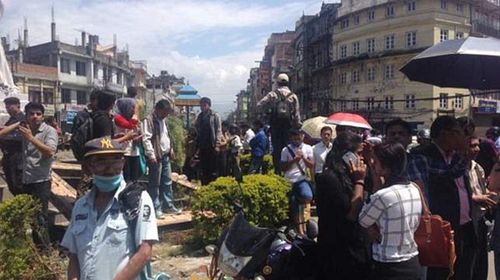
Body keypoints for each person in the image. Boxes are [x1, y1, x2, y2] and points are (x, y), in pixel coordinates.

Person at [61, 136, 158, 280]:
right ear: (88, 167)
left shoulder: (138, 200)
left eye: (116, 161)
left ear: (123, 163)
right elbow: (74, 255)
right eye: (101, 162)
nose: (110, 168)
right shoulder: (81, 207)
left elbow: (144, 252)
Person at [417, 116, 474, 280]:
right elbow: (444, 175)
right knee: (439, 273)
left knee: (461, 271)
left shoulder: (454, 156)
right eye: (457, 132)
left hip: (462, 224)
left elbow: (456, 173)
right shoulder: (422, 155)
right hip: (437, 228)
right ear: (444, 134)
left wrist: (464, 154)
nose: (462, 137)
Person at [359, 142, 423, 280]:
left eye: (375, 161)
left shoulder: (383, 196)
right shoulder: (414, 188)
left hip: (388, 263)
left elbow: (363, 219)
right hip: (411, 259)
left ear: (386, 166)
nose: (372, 164)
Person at [315, 131, 371, 280]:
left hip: (356, 243)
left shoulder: (351, 174)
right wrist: (359, 181)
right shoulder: (330, 178)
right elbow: (351, 214)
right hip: (339, 247)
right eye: (358, 153)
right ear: (347, 155)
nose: (361, 158)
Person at [20, 102, 58, 249]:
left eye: (38, 114)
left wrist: (31, 138)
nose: (35, 117)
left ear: (43, 116)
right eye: (31, 113)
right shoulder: (24, 129)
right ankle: (36, 250)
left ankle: (45, 252)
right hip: (26, 179)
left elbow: (50, 151)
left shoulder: (49, 131)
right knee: (31, 218)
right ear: (26, 115)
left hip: (41, 181)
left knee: (41, 218)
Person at [143, 99, 180, 219]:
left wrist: (171, 150)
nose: (166, 115)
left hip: (165, 155)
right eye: (164, 112)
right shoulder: (149, 120)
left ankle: (168, 205)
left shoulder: (164, 120)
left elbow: (167, 136)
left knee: (167, 181)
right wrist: (151, 155)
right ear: (158, 110)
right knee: (155, 183)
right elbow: (146, 139)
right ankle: (156, 207)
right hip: (156, 156)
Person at [257, 73, 301, 175]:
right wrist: (297, 124)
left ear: (277, 83)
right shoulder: (293, 96)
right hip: (288, 126)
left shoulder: (273, 94)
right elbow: (297, 114)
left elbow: (259, 104)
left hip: (275, 126)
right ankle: (289, 170)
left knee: (276, 149)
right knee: (288, 147)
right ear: (288, 83)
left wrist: (267, 111)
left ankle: (277, 171)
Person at [466, 135, 495, 280]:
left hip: (481, 219)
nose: (476, 149)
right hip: (467, 223)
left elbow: (483, 190)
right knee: (468, 262)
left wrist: (490, 195)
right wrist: (477, 198)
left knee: (481, 261)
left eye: (477, 145)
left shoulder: (478, 168)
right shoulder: (459, 169)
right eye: (472, 146)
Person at [280, 128, 314, 235]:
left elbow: (311, 165)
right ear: (291, 138)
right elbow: (283, 168)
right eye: (294, 137)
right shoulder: (285, 150)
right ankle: (299, 230)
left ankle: (304, 224)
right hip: (289, 181)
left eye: (299, 136)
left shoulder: (308, 148)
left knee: (307, 196)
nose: (297, 139)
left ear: (302, 136)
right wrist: (294, 160)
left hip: (301, 180)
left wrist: (303, 158)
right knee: (293, 206)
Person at [0, 96, 25, 195]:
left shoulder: (22, 120)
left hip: (17, 157)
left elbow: (18, 137)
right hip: (8, 157)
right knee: (12, 185)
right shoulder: (11, 120)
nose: (7, 109)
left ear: (18, 105)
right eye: (6, 107)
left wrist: (3, 136)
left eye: (10, 106)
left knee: (18, 185)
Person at [195, 97, 222, 185]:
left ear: (209, 105)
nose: (202, 107)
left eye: (204, 105)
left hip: (212, 145)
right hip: (202, 146)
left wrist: (217, 144)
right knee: (203, 168)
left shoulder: (215, 115)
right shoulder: (200, 116)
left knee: (213, 168)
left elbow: (218, 130)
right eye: (201, 105)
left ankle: (212, 185)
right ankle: (204, 185)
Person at [114, 98, 142, 182]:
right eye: (132, 107)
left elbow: (136, 130)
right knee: (126, 178)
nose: (133, 110)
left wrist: (138, 137)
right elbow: (130, 125)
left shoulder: (132, 118)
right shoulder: (118, 118)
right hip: (123, 152)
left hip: (134, 152)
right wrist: (136, 114)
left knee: (134, 179)